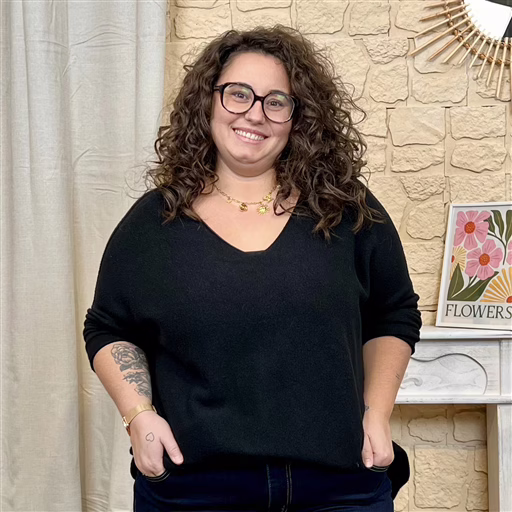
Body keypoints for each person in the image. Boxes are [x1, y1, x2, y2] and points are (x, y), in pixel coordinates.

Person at [83, 25, 422, 511]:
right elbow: (108, 326)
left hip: (338, 487)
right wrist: (138, 415)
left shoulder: (346, 210)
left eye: (276, 101)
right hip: (194, 492)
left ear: (298, 118)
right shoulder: (155, 221)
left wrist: (377, 412)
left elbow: (394, 313)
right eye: (238, 94)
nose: (254, 113)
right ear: (208, 101)